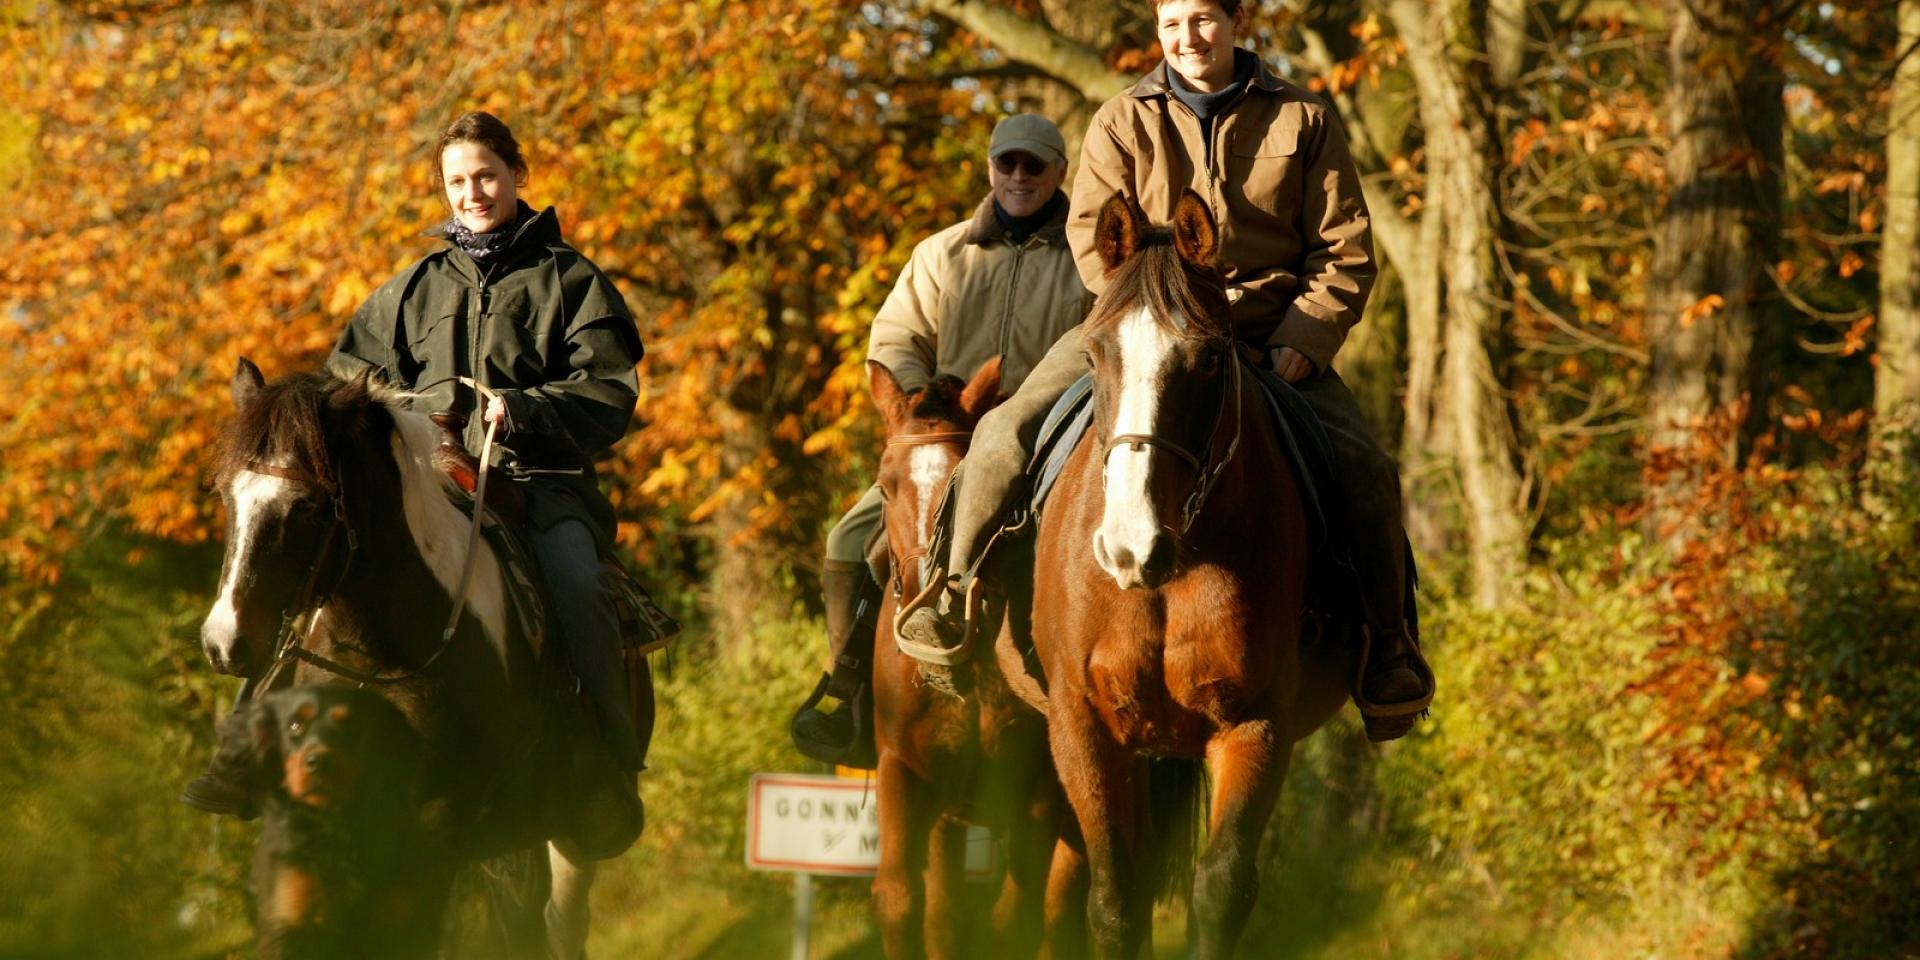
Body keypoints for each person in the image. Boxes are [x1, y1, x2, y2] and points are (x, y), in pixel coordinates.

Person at [897, 0, 1435, 741]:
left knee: (1366, 465)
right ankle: (949, 595)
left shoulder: (1303, 120)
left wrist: (1306, 337)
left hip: (1268, 332)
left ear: (1238, 20)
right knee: (1001, 432)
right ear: (1158, 30)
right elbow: (1092, 236)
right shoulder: (1121, 117)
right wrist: (1144, 309)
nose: (1189, 38)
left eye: (1204, 20)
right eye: (1173, 24)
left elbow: (1343, 248)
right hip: (1141, 330)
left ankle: (1389, 652)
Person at [183, 111, 649, 818]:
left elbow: (608, 391)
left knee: (579, 582)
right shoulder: (411, 289)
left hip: (537, 487)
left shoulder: (572, 283)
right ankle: (241, 751)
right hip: (425, 481)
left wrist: (522, 411)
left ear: (518, 175)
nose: (474, 193)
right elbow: (345, 380)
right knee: (322, 564)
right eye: (457, 181)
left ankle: (607, 769)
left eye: (487, 175)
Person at [789, 114, 1092, 762]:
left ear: (1059, 172)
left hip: (1051, 445)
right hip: (942, 445)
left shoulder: (1088, 258)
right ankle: (852, 695)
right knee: (849, 541)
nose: (1018, 177)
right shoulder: (942, 253)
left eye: (1033, 166)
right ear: (990, 167)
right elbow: (896, 333)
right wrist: (918, 401)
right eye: (1007, 163)